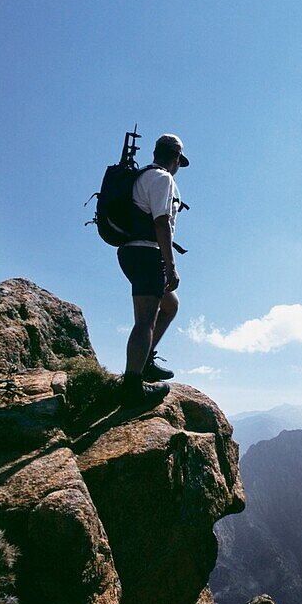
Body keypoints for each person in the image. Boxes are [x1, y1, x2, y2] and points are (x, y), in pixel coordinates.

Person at [117, 133, 189, 408]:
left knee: (169, 306)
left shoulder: (141, 176)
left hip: (131, 251)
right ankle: (132, 384)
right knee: (145, 318)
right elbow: (161, 224)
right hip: (146, 252)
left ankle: (145, 360)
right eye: (179, 162)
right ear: (175, 159)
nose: (178, 168)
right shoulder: (162, 179)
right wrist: (171, 266)